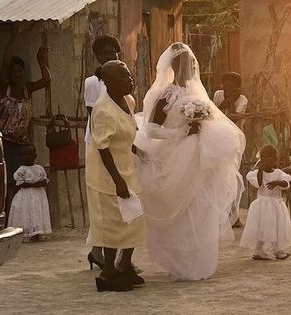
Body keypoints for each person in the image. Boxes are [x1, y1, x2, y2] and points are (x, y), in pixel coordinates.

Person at [134, 42, 245, 281]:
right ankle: (180, 262)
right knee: (182, 208)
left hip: (201, 157)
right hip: (177, 156)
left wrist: (201, 125)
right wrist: (179, 133)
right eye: (184, 64)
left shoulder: (199, 95)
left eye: (191, 64)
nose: (189, 68)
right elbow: (151, 129)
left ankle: (199, 261)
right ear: (173, 66)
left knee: (202, 206)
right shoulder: (167, 94)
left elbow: (216, 121)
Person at [86, 60, 144, 292]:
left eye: (129, 75)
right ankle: (108, 273)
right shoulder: (102, 109)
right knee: (112, 224)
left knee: (135, 219)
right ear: (108, 83)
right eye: (123, 76)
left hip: (126, 167)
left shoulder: (127, 101)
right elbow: (102, 147)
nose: (129, 80)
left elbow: (129, 132)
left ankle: (124, 265)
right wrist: (117, 180)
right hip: (107, 175)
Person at [0, 35, 51, 219]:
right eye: (14, 72)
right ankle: (7, 218)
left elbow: (46, 80)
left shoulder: (27, 88)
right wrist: (10, 44)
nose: (17, 75)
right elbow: (3, 68)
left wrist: (40, 61)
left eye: (20, 71)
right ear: (10, 74)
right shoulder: (4, 88)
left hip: (23, 145)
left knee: (24, 183)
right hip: (6, 143)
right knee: (10, 183)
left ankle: (23, 219)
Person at [84, 34, 121, 272]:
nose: (109, 56)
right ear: (98, 57)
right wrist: (102, 145)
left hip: (118, 143)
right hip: (100, 145)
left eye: (113, 52)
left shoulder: (121, 78)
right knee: (102, 199)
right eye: (104, 53)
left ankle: (109, 253)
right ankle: (98, 251)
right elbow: (93, 116)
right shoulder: (92, 83)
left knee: (115, 201)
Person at [240, 145, 291, 260]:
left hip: (276, 206)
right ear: (261, 159)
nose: (269, 160)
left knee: (277, 228)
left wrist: (278, 182)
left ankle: (278, 250)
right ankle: (258, 251)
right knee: (261, 228)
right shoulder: (256, 173)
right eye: (265, 158)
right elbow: (259, 184)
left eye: (272, 158)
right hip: (262, 206)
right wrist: (260, 170)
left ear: (275, 159)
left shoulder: (278, 173)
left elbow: (286, 183)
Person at [212, 72, 247, 228]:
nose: (227, 88)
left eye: (231, 86)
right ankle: (220, 213)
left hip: (234, 140)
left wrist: (230, 103)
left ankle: (234, 215)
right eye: (225, 85)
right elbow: (212, 113)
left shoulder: (242, 99)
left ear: (237, 87)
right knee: (219, 176)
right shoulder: (218, 95)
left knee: (232, 176)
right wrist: (223, 104)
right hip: (217, 138)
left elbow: (235, 117)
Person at [7, 144, 52, 242]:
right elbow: (20, 184)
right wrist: (35, 184)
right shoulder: (21, 170)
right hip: (26, 196)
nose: (27, 157)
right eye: (24, 154)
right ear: (20, 157)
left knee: (37, 212)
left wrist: (33, 183)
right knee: (27, 212)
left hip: (38, 196)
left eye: (29, 154)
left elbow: (44, 181)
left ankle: (37, 232)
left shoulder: (39, 168)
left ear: (35, 156)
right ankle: (29, 233)